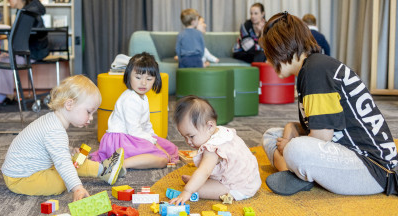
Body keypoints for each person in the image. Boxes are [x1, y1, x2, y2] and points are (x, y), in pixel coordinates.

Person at [260, 12, 398, 196]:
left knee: (296, 149)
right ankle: (297, 171)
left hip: (374, 170)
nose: (268, 61)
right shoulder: (314, 67)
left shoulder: (315, 70)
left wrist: (290, 146)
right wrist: (290, 128)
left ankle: (292, 170)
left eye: (269, 54)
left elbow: (321, 138)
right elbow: (322, 127)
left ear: (281, 48)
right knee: (271, 135)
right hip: (349, 154)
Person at [1, 75, 125, 201]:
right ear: (69, 104)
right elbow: (62, 163)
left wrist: (69, 150)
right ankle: (103, 170)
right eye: (89, 112)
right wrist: (77, 188)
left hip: (36, 168)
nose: (91, 118)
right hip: (21, 178)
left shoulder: (53, 121)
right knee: (61, 182)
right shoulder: (54, 130)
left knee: (73, 161)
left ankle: (103, 170)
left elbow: (52, 147)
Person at [91, 52, 179, 169]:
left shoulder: (143, 97)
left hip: (131, 136)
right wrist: (155, 145)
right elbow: (134, 131)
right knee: (162, 159)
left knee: (170, 148)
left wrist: (155, 140)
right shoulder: (130, 99)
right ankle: (119, 165)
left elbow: (146, 125)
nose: (143, 83)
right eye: (138, 77)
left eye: (149, 79)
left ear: (155, 80)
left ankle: (129, 160)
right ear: (128, 76)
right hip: (121, 140)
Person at [170, 95, 261, 205]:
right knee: (199, 181)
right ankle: (196, 181)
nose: (188, 141)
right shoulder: (222, 132)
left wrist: (187, 191)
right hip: (252, 177)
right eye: (184, 137)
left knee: (198, 190)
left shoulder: (212, 148)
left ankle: (195, 183)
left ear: (210, 126)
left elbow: (204, 171)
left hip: (239, 187)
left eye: (191, 136)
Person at [0, 0, 49, 105]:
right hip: (31, 51)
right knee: (3, 57)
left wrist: (15, 52)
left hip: (31, 53)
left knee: (3, 59)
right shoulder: (28, 11)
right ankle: (3, 96)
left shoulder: (27, 13)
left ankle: (1, 97)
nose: (8, 0)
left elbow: (28, 36)